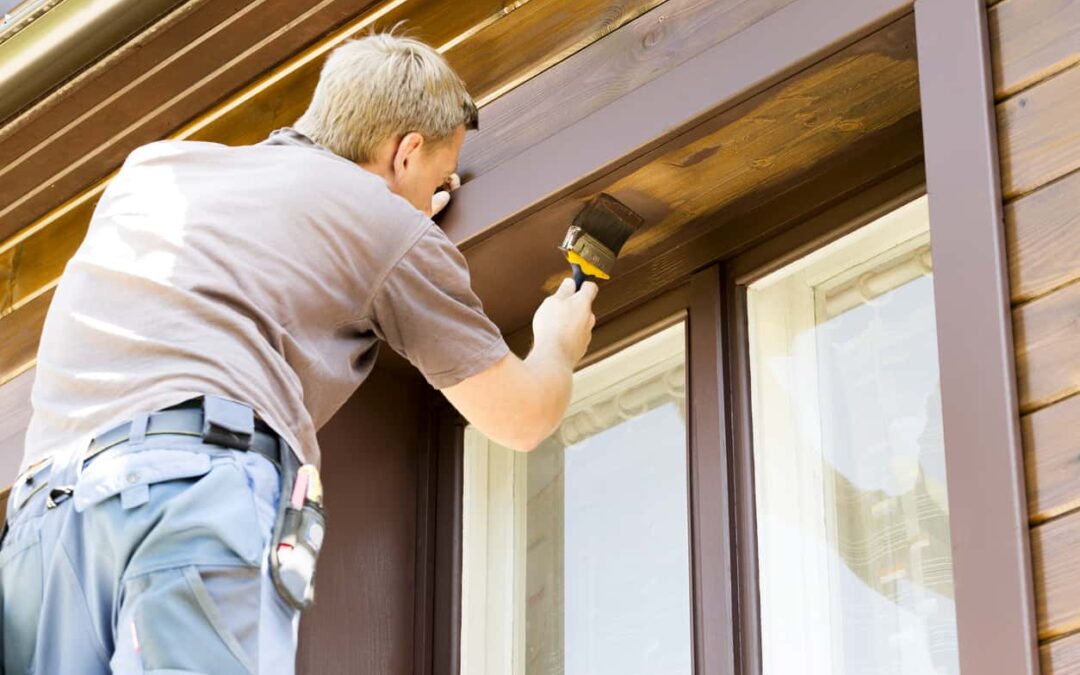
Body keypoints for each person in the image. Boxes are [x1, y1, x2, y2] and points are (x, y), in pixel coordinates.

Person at [0, 33, 597, 674]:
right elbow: (522, 417)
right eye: (439, 177)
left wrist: (394, 211)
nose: (435, 196)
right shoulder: (383, 225)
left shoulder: (154, 173)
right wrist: (557, 346)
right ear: (407, 151)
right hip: (192, 491)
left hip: (45, 522)